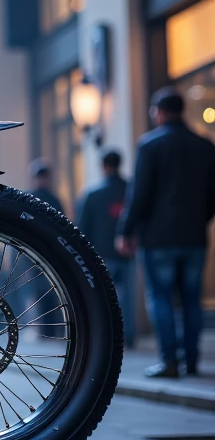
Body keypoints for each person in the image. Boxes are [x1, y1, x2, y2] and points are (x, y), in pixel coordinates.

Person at [116, 87, 215, 379]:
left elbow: (139, 194)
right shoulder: (205, 145)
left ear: (159, 111)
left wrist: (126, 230)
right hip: (194, 236)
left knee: (161, 298)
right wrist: (200, 219)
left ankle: (169, 361)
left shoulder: (150, 145)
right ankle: (192, 361)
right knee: (191, 299)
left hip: (158, 238)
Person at [76, 149, 134, 347]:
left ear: (103, 167)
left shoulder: (93, 195)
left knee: (104, 297)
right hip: (127, 252)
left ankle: (110, 336)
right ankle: (129, 336)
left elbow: (82, 228)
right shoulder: (130, 190)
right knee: (128, 296)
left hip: (100, 254)